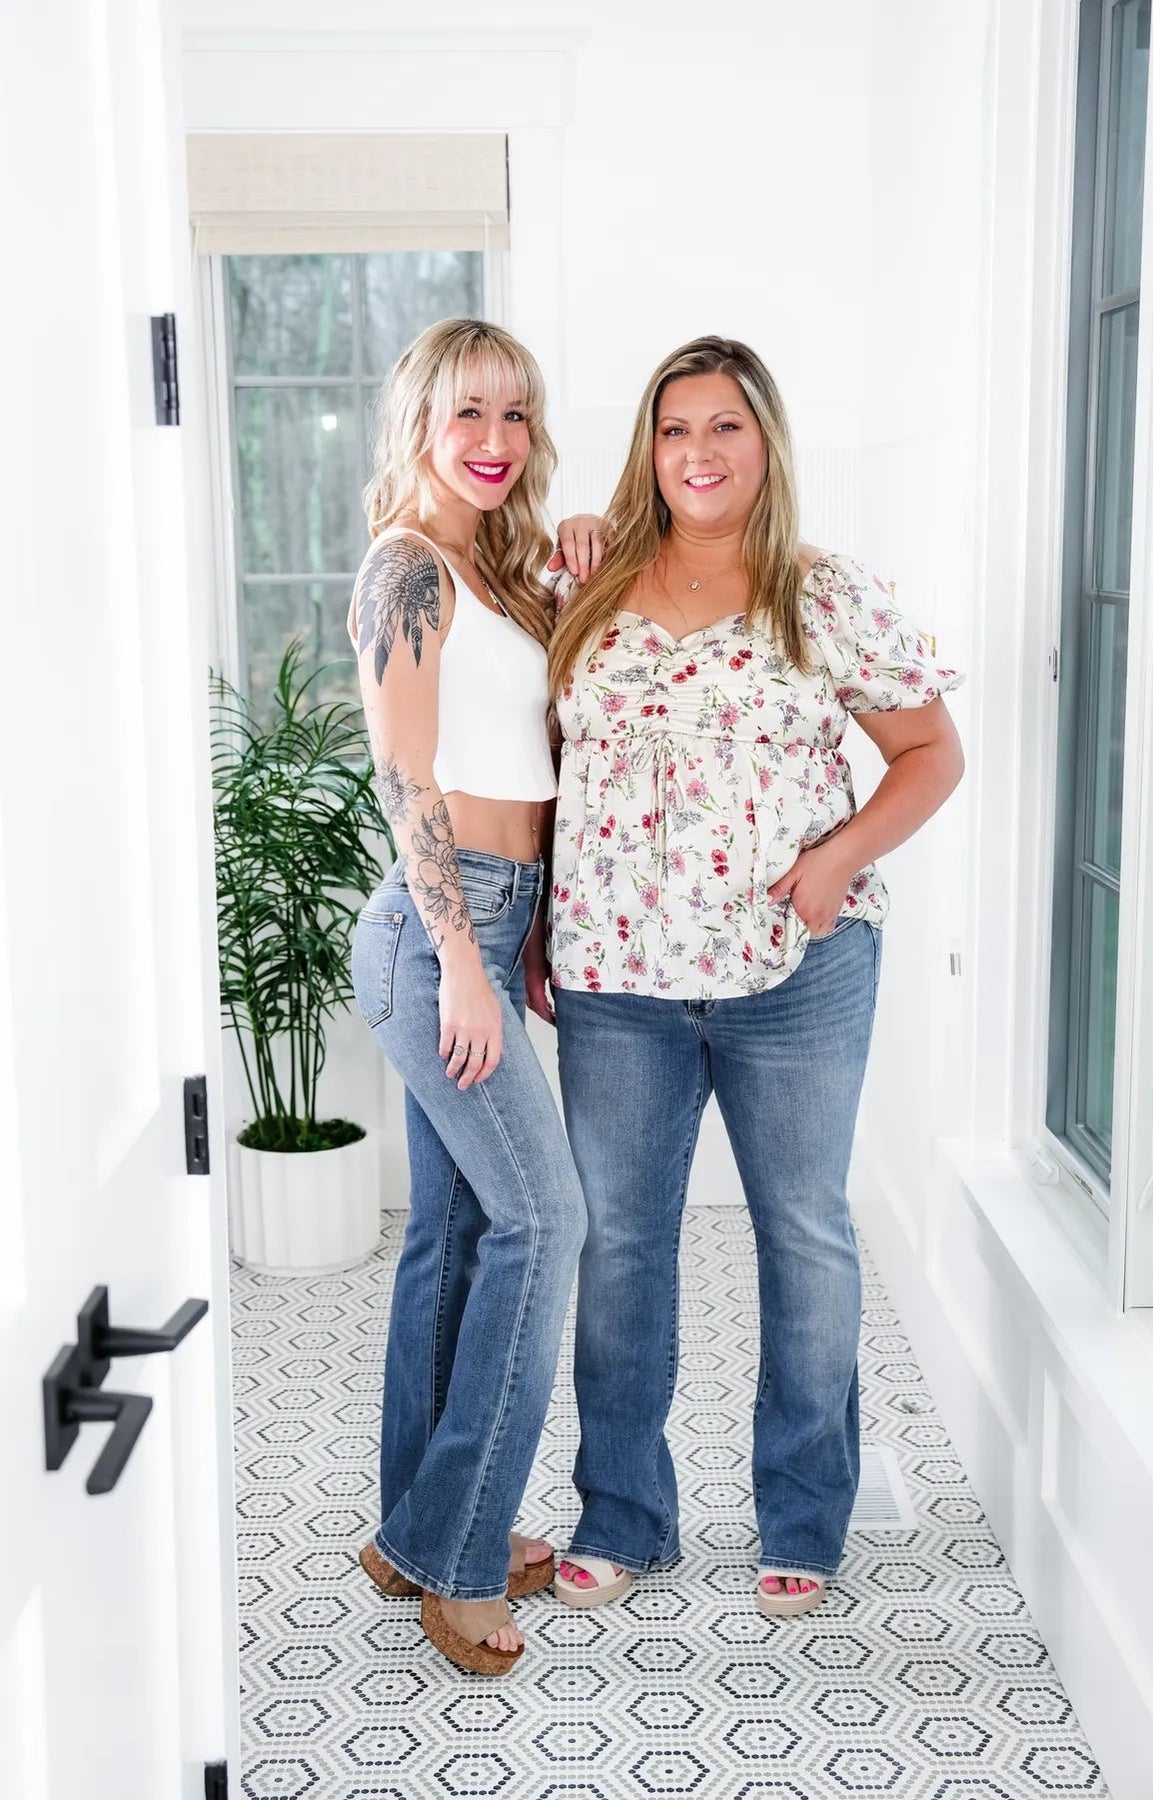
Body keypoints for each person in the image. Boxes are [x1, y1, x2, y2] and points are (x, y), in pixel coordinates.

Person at [543, 335, 964, 1617]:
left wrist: (838, 858)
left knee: (803, 1234)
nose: (698, 452)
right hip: (617, 975)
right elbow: (542, 765)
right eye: (673, 429)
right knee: (621, 1243)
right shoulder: (583, 582)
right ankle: (622, 1512)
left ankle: (802, 1513)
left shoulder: (822, 594)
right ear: (647, 448)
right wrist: (535, 922)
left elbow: (930, 755)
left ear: (765, 442)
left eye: (723, 426)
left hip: (795, 971)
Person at [347, 318, 586, 1675]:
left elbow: (528, 757)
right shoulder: (405, 569)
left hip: (499, 920)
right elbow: (407, 777)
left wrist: (524, 930)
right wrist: (460, 962)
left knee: (451, 1233)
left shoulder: (499, 571)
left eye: (514, 414)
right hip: (435, 935)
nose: (493, 441)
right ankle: (459, 1544)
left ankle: (409, 1530)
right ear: (421, 426)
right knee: (545, 1222)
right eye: (467, 415)